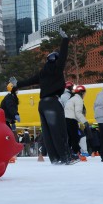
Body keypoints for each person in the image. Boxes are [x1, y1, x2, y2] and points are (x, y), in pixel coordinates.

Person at [9, 32, 76, 165]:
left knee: (48, 133)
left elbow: (29, 80)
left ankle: (55, 158)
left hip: (42, 105)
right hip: (52, 103)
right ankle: (65, 157)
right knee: (59, 131)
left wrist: (17, 84)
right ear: (56, 60)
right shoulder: (57, 69)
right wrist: (65, 39)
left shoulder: (43, 73)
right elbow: (63, 54)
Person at [64, 85, 89, 160]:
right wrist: (85, 122)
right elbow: (78, 112)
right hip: (72, 120)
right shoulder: (78, 99)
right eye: (84, 93)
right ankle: (76, 153)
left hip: (65, 120)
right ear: (81, 93)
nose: (84, 95)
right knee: (75, 137)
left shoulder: (71, 99)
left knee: (70, 138)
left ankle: (68, 154)